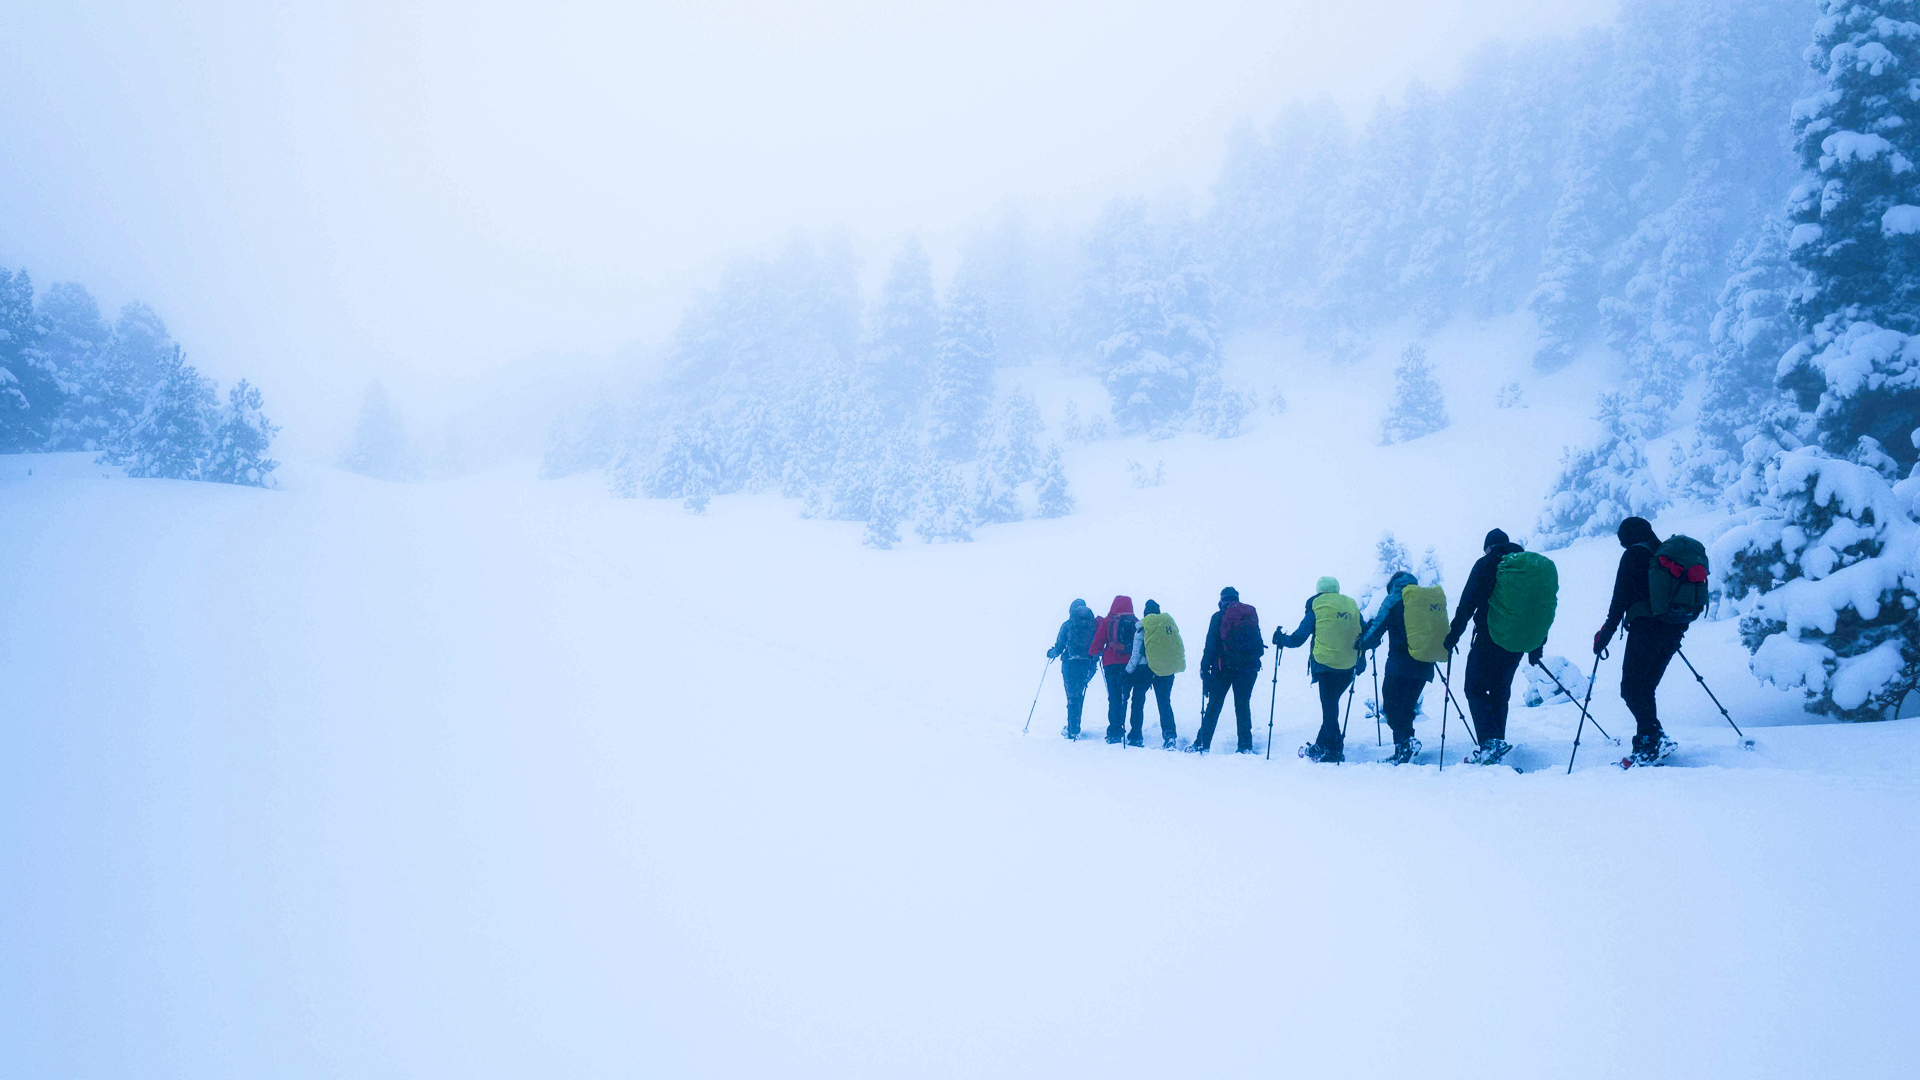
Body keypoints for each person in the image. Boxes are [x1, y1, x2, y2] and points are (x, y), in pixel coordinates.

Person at [1444, 528, 1541, 767]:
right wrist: (1536, 646)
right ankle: (1496, 743)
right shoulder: (1524, 568)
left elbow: (1468, 602)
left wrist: (1453, 635)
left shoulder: (1487, 563)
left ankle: (1490, 744)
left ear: (1488, 547)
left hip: (1489, 638)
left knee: (1474, 688)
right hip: (1517, 642)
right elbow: (1537, 608)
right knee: (1500, 691)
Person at [1595, 516, 1684, 765]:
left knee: (1631, 689)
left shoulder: (1634, 554)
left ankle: (1653, 738)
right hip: (1673, 629)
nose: (1620, 542)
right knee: (1644, 688)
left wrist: (1606, 634)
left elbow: (1620, 598)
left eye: (1621, 537)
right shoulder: (1664, 553)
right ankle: (1648, 742)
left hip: (1646, 629)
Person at [1274, 577, 1365, 763]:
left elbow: (1298, 638)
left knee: (1329, 709)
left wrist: (1282, 640)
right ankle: (1323, 745)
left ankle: (1332, 750)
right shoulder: (1351, 604)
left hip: (1326, 665)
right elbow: (1365, 631)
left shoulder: (1317, 604)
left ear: (1319, 590)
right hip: (1349, 666)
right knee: (1331, 706)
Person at [1357, 570, 1435, 764]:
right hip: (1425, 664)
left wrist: (1362, 643)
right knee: (1407, 706)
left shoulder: (1393, 599)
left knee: (1391, 707)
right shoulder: (1425, 599)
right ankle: (1404, 747)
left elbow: (1376, 630)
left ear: (1392, 584)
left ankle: (1406, 743)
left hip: (1400, 665)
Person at [1190, 587, 1265, 753]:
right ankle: (1245, 746)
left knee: (1214, 706)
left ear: (1222, 600)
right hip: (1248, 668)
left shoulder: (1218, 617)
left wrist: (1204, 667)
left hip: (1223, 668)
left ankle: (1202, 743)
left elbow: (1210, 644)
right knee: (1243, 706)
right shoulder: (1248, 614)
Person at [1129, 599, 1186, 749]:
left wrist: (1128, 671)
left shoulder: (1142, 628)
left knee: (1138, 701)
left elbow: (1135, 655)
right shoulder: (1168, 627)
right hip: (1165, 669)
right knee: (1164, 702)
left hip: (1144, 670)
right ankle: (1170, 736)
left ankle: (1135, 736)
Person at [1087, 595, 1144, 745]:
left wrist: (1095, 653)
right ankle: (1133, 733)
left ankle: (1114, 732)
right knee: (1127, 696)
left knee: (1114, 698)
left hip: (1111, 664)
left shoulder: (1108, 621)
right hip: (1130, 665)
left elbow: (1096, 646)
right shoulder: (1136, 622)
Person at [1047, 598, 1100, 740]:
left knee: (1072, 697)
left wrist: (1051, 653)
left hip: (1070, 664)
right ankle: (1075, 726)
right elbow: (1097, 645)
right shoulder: (1092, 625)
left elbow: (1059, 647)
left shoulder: (1068, 624)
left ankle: (1072, 729)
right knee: (1080, 694)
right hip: (1087, 665)